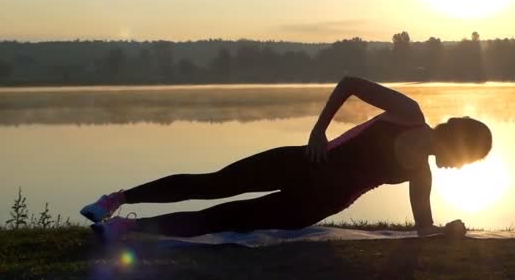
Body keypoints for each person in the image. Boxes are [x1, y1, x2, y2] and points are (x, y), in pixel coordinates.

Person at [81, 76, 492, 242]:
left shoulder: (420, 175)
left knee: (224, 218)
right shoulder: (408, 112)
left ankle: (124, 230)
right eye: (468, 159)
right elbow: (349, 83)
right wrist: (319, 130)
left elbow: (424, 229)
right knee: (213, 183)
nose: (460, 167)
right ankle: (116, 199)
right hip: (305, 161)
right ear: (459, 142)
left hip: (312, 205)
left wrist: (448, 232)